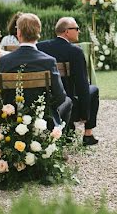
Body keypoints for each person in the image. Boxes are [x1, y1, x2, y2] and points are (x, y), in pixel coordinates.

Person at [0, 13, 71, 127]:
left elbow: (3, 95)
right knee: (68, 101)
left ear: (19, 33)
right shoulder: (48, 61)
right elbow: (60, 96)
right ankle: (58, 138)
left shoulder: (4, 61)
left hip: (13, 118)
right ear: (39, 32)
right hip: (43, 118)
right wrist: (43, 109)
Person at [38, 17, 100, 146]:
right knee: (93, 89)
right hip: (68, 101)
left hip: (45, 99)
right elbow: (82, 84)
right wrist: (84, 114)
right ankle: (88, 134)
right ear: (67, 31)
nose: (79, 31)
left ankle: (70, 130)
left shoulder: (40, 46)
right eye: (76, 28)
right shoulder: (75, 51)